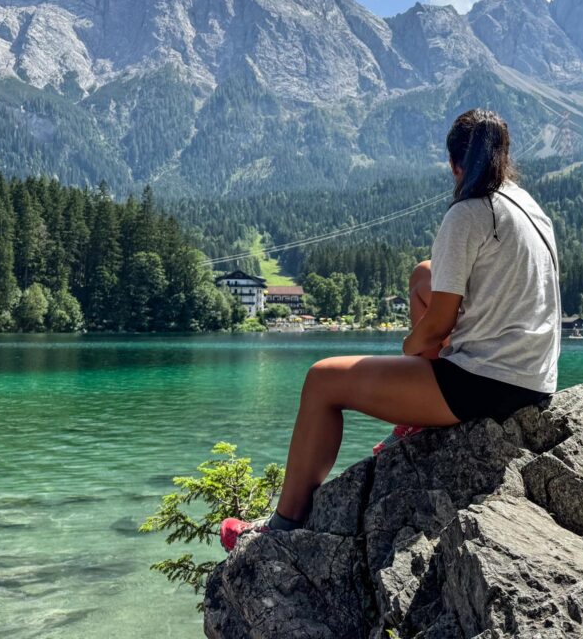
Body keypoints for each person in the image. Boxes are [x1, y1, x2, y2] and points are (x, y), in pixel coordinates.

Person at [220, 108, 562, 550]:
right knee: (424, 274)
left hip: (486, 384)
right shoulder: (529, 207)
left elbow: (437, 323)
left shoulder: (470, 212)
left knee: (323, 380)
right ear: (504, 156)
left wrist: (411, 346)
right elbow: (449, 291)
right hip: (535, 379)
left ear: (456, 165)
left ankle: (285, 523)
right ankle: (417, 416)